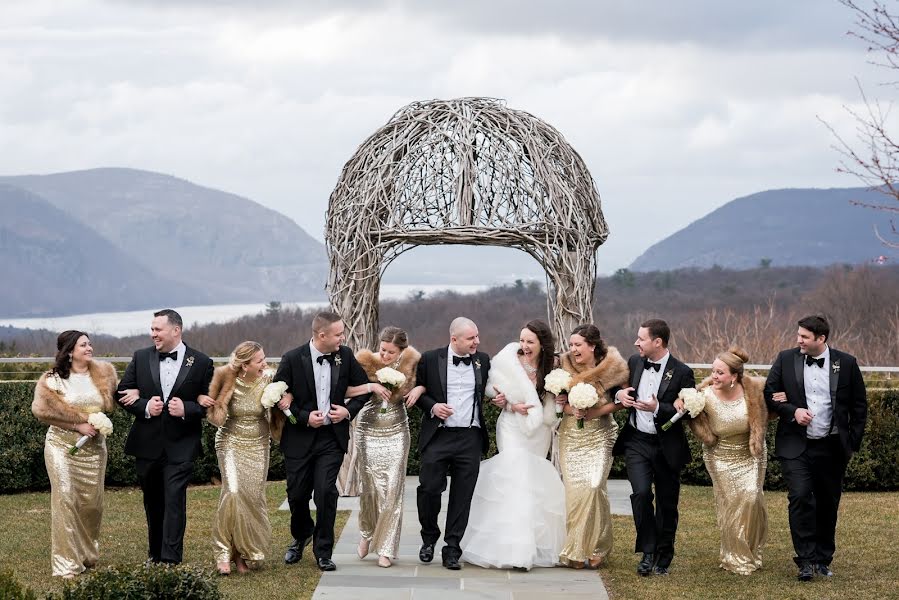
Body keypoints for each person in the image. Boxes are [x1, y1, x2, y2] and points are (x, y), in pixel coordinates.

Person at [764, 315, 867, 581]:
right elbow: (770, 392)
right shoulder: (786, 359)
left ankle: (823, 558)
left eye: (804, 337)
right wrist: (792, 411)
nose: (799, 340)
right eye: (799, 335)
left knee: (827, 502)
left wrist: (851, 443)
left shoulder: (846, 363)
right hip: (795, 445)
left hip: (832, 448)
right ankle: (805, 560)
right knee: (799, 497)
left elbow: (858, 406)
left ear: (821, 339)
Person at [460, 319, 566, 570]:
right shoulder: (506, 360)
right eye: (522, 340)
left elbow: (557, 398)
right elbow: (490, 390)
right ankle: (512, 549)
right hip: (511, 426)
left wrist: (560, 399)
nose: (525, 346)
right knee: (512, 479)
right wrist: (507, 403)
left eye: (531, 342)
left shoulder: (555, 365)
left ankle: (531, 545)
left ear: (542, 344)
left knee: (531, 483)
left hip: (539, 431)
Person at [116, 309, 214, 565]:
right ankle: (155, 554)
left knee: (174, 500)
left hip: (181, 445)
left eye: (157, 329)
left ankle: (171, 558)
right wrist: (146, 406)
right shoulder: (140, 357)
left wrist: (188, 409)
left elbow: (210, 401)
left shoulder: (202, 362)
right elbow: (122, 394)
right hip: (146, 445)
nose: (153, 334)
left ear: (176, 330)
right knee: (153, 503)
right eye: (152, 329)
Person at [275, 311, 371, 572]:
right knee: (296, 495)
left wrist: (348, 411)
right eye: (339, 334)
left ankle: (323, 551)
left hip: (331, 438)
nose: (343, 338)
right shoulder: (292, 359)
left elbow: (364, 389)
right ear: (321, 335)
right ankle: (302, 534)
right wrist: (305, 417)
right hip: (299, 439)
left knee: (326, 493)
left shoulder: (346, 356)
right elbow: (278, 400)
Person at [611, 318, 695, 576]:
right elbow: (616, 385)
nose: (636, 342)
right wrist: (619, 395)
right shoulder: (635, 361)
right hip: (637, 441)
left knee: (668, 504)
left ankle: (664, 556)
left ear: (657, 342)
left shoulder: (682, 371)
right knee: (641, 494)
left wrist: (658, 408)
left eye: (641, 338)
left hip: (667, 446)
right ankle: (648, 551)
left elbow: (690, 411)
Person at [31, 330, 117, 578]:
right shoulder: (53, 379)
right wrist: (77, 425)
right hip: (61, 447)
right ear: (70, 351)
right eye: (83, 345)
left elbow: (120, 398)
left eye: (90, 344)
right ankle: (66, 563)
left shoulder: (103, 374)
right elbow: (41, 411)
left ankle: (87, 553)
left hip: (95, 450)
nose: (89, 348)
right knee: (66, 499)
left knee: (92, 504)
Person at [415, 317, 492, 570]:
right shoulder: (429, 358)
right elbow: (419, 391)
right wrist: (433, 406)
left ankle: (452, 548)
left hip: (470, 437)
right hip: (439, 435)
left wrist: (502, 397)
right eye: (471, 338)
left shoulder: (483, 360)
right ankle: (429, 538)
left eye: (477, 337)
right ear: (454, 339)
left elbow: (492, 389)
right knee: (429, 488)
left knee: (462, 496)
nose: (477, 342)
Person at [346, 326, 424, 568]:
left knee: (393, 492)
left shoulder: (412, 364)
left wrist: (419, 388)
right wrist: (371, 387)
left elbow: (432, 382)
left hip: (397, 432)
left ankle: (387, 548)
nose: (385, 355)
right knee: (369, 489)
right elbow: (346, 391)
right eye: (382, 349)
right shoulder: (364, 363)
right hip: (368, 432)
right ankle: (367, 533)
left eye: (391, 352)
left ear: (401, 351)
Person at [687, 347, 768, 575]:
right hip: (720, 455)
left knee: (752, 498)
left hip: (751, 454)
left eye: (720, 373)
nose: (714, 376)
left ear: (734, 376)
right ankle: (734, 556)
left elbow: (771, 409)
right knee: (731, 503)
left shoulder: (753, 391)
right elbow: (689, 416)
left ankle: (751, 551)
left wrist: (782, 399)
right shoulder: (703, 395)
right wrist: (683, 407)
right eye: (713, 371)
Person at [555, 324, 628, 569]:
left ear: (592, 346)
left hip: (600, 434)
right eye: (571, 344)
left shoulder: (613, 367)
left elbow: (621, 402)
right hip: (571, 435)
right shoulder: (562, 366)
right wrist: (570, 409)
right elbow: (558, 402)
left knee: (595, 486)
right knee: (576, 493)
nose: (573, 349)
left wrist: (593, 413)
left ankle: (598, 546)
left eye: (578, 345)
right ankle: (576, 549)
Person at [206, 341, 274, 575]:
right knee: (233, 492)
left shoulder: (270, 379)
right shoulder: (226, 378)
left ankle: (242, 553)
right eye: (259, 361)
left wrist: (282, 401)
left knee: (251, 498)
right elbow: (213, 414)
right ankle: (223, 552)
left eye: (264, 358)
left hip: (259, 444)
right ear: (245, 365)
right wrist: (213, 403)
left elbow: (281, 407)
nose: (264, 363)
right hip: (231, 442)